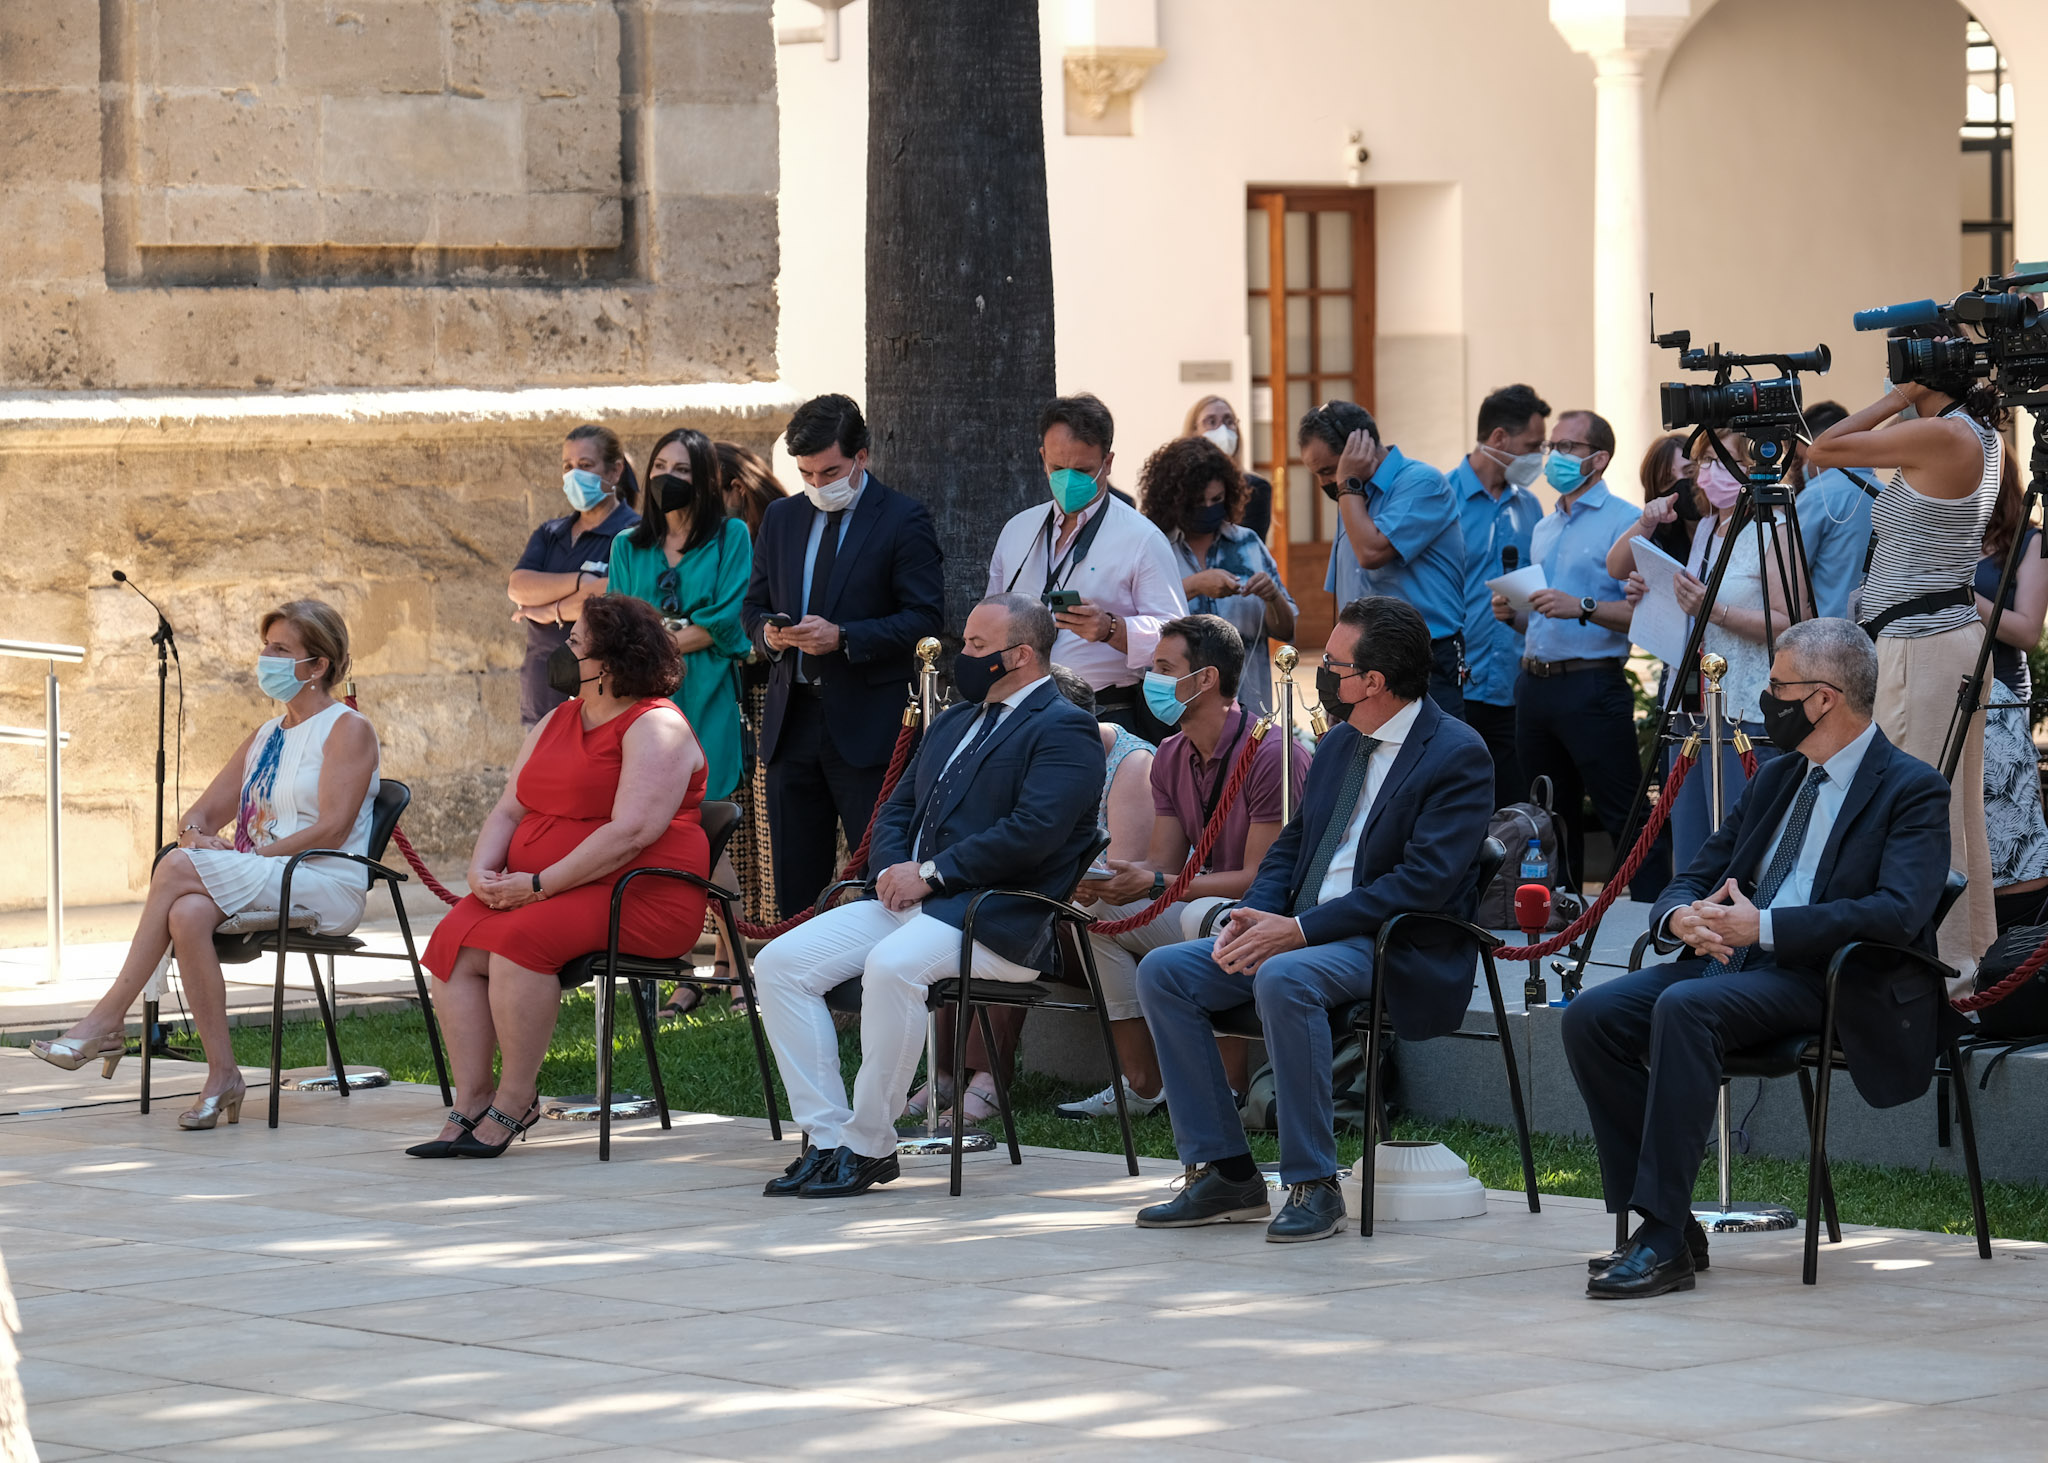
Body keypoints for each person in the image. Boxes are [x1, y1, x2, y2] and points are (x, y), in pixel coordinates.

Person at [1562, 619, 1953, 1298]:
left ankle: (1657, 1240)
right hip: (1729, 968)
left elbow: (1898, 911)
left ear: (1823, 698)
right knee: (1591, 1015)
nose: (1765, 697)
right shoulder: (1777, 778)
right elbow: (1696, 874)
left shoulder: (1911, 789)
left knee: (1686, 1006)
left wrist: (1763, 926)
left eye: (1778, 685)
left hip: (1825, 978)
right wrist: (1680, 916)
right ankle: (1674, 1223)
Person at [1132, 597, 1494, 1243]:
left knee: (1285, 978)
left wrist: (1298, 931)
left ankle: (1314, 1183)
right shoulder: (1341, 743)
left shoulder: (1456, 753)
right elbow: (1295, 844)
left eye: (1334, 663)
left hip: (1390, 941)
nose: (1323, 672)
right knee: (1166, 972)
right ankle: (1226, 1172)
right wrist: (1259, 913)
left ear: (1373, 681)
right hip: (1301, 930)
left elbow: (1423, 883)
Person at [752, 594, 1105, 1199]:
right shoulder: (952, 721)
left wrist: (933, 873)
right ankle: (830, 1138)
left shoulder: (1065, 727)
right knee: (779, 964)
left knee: (891, 968)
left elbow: (1034, 833)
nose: (960, 656)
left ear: (1019, 656)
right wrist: (896, 870)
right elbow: (898, 808)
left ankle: (869, 1145)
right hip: (913, 906)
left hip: (994, 917)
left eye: (975, 646)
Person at [32, 602, 380, 1131]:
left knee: (174, 869)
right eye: (266, 647)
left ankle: (106, 1019)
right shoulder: (267, 735)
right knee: (187, 913)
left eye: (281, 650)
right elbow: (199, 814)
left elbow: (333, 829)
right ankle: (224, 1075)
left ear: (319, 665)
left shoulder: (347, 729)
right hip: (263, 874)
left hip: (321, 879)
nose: (266, 658)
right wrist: (199, 837)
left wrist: (243, 856)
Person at [409, 595, 710, 1159]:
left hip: (636, 894)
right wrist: (483, 871)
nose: (562, 652)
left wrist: (539, 884)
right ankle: (472, 1098)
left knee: (520, 942)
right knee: (453, 940)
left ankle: (517, 1098)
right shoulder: (557, 719)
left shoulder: (657, 726)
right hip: (543, 885)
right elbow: (508, 809)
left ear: (612, 663)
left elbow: (631, 833)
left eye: (575, 645)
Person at [1063, 614, 1311, 1119]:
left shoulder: (1271, 753)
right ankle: (1143, 1083)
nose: (1151, 680)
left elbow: (1261, 881)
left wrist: (1155, 881)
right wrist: (1112, 879)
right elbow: (1163, 863)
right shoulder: (1173, 753)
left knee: (1207, 919)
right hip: (1202, 904)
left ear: (1206, 679)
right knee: (1093, 916)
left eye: (1162, 667)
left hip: (1267, 918)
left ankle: (1231, 1085)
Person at [1810, 364, 2002, 968]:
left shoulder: (1946, 434)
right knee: (1950, 813)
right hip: (1934, 640)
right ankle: (1961, 968)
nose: (1892, 367)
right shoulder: (1965, 432)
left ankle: (1935, 977)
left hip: (1924, 646)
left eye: (1903, 361)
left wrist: (1898, 398)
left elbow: (1823, 447)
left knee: (1921, 815)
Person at [913, 664, 1154, 1132]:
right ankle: (944, 1073)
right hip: (1045, 904)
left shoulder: (1131, 763)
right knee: (962, 914)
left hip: (1095, 920)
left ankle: (986, 1078)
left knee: (1008, 921)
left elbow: (1123, 877)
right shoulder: (1025, 757)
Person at [742, 394, 945, 918]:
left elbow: (925, 618)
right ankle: (798, 995)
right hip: (792, 720)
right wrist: (769, 634)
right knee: (795, 881)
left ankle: (877, 992)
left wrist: (846, 637)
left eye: (829, 471)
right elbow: (753, 606)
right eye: (806, 473)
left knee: (883, 876)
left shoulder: (902, 518)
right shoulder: (783, 517)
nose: (816, 484)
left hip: (871, 727)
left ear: (862, 457)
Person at [608, 427, 754, 1014]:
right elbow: (619, 624)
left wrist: (657, 637)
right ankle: (686, 967)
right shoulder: (627, 545)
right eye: (660, 465)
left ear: (706, 481)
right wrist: (667, 636)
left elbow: (724, 621)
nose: (669, 477)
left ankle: (738, 965)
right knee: (658, 835)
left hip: (708, 702)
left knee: (705, 833)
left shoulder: (731, 538)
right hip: (642, 711)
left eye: (684, 470)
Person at [1618, 433, 1805, 872]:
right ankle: (1693, 933)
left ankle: (1741, 935)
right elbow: (1680, 596)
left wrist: (1715, 610)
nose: (1706, 473)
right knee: (1692, 845)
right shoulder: (1706, 527)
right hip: (1692, 704)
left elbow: (1791, 623)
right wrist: (1654, 592)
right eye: (1702, 462)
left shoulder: (1772, 529)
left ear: (1751, 467)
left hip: (1745, 707)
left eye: (1719, 462)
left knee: (1742, 846)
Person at [1494, 409, 1661, 900]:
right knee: (1547, 811)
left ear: (1599, 458)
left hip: (1591, 684)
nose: (1556, 457)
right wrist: (1516, 614)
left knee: (1622, 808)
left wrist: (1581, 607)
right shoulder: (1546, 527)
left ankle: (1653, 910)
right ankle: (1558, 909)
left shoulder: (1627, 521)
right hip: (1535, 682)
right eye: (1553, 448)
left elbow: (1643, 616)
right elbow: (1545, 614)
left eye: (1569, 448)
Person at [987, 394, 1188, 743]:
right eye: (1057, 468)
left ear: (1107, 463)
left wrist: (1111, 629)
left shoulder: (1143, 539)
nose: (1067, 480)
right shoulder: (1017, 530)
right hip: (1019, 713)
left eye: (1081, 471)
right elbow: (991, 616)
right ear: (1042, 458)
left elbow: (1175, 634)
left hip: (1104, 716)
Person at [1298, 401, 1467, 716]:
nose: (1325, 483)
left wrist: (1348, 483)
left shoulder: (1419, 482)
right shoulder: (1352, 493)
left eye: (1327, 470)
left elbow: (1370, 552)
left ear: (1357, 448)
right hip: (1360, 660)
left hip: (1420, 659)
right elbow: (1347, 590)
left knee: (1425, 761)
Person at [1139, 435, 1297, 715]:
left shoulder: (1247, 544)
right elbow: (1140, 621)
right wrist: (1196, 585)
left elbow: (1286, 631)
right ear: (1175, 501)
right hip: (1179, 714)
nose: (1209, 508)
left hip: (1249, 709)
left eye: (1217, 500)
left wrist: (1273, 596)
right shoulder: (1154, 547)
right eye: (1199, 502)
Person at [508, 424, 642, 728]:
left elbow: (610, 598)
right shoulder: (550, 533)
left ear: (614, 471)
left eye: (585, 465)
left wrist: (546, 609)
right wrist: (582, 582)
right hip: (543, 696)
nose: (574, 475)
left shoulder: (634, 534)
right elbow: (518, 587)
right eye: (568, 466)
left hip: (602, 701)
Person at [1455, 384, 1550, 807]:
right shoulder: (1441, 499)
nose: (1539, 458)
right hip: (1457, 684)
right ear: (1498, 439)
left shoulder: (1529, 506)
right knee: (1460, 807)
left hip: (1514, 685)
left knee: (1516, 810)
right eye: (1532, 446)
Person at [717, 440, 790, 930]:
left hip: (769, 693)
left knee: (768, 826)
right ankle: (738, 946)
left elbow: (730, 621)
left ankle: (768, 932)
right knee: (739, 826)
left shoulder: (765, 533)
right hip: (734, 694)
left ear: (736, 489)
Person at [1974, 462, 2048, 929]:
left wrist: (1961, 593)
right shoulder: (1946, 534)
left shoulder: (2030, 540)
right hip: (1946, 684)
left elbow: (2026, 631)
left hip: (1999, 696)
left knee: (2004, 824)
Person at [1792, 402, 1878, 622]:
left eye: (1803, 459)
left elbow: (1790, 569)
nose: (1803, 467)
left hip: (1829, 633)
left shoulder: (1817, 496)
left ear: (1820, 451)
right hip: (1880, 631)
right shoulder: (1887, 493)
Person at [1184, 394, 1272, 542]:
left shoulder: (1255, 488)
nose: (1223, 430)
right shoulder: (1179, 486)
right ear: (1194, 431)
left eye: (1229, 421)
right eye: (1211, 422)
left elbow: (1248, 545)